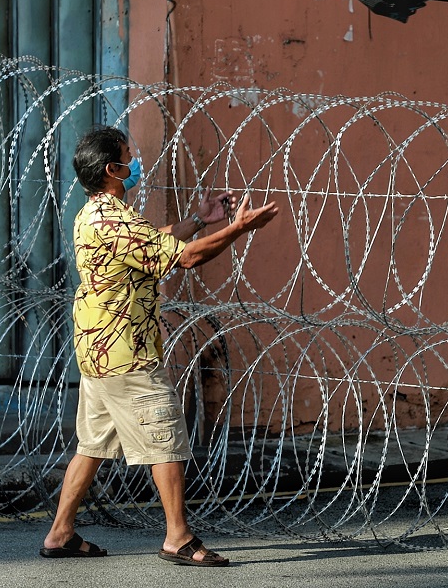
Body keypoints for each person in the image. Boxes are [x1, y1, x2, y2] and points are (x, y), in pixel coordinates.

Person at [40, 126, 279, 565]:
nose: (136, 166)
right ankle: (178, 538)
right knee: (165, 438)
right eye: (129, 158)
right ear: (113, 169)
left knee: (92, 445)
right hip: (127, 353)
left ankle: (60, 533)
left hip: (96, 350)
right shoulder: (116, 220)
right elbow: (183, 257)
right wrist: (239, 228)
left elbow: (153, 241)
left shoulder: (91, 213)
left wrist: (201, 220)